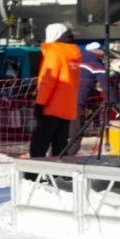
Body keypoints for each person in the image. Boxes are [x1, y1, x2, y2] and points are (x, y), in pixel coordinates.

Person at [27, 23, 81, 175]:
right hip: (66, 107)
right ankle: (58, 176)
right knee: (59, 146)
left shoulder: (55, 52)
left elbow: (47, 82)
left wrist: (40, 103)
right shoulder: (74, 53)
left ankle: (33, 176)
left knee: (39, 145)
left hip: (50, 106)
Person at [68, 42, 110, 155]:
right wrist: (116, 103)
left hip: (61, 100)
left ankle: (54, 157)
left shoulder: (74, 62)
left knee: (61, 131)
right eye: (101, 51)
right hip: (77, 102)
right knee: (76, 132)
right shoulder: (96, 65)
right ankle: (67, 158)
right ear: (96, 51)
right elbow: (106, 87)